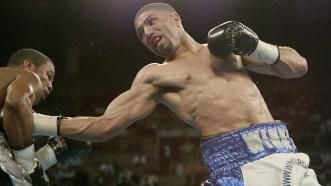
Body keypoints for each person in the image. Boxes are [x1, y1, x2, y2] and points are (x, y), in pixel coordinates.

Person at [32, 3, 321, 186]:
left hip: (287, 155)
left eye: (151, 22)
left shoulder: (226, 48)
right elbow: (106, 126)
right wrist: (35, 121)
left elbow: (297, 67)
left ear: (175, 18)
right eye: (140, 33)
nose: (146, 32)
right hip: (237, 165)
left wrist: (255, 45)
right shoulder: (155, 75)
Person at [0, 48, 92, 186]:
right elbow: (15, 104)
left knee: (79, 141)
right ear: (28, 66)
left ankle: (43, 158)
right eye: (49, 76)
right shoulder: (26, 78)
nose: (50, 86)